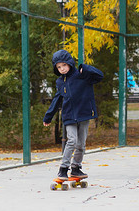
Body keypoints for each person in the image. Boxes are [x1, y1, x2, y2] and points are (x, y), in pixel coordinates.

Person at [43, 49, 103, 180]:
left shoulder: (82, 75)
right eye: (59, 67)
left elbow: (100, 76)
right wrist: (48, 116)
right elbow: (57, 99)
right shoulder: (60, 82)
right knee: (72, 141)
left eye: (64, 65)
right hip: (69, 115)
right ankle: (63, 169)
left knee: (81, 144)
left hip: (84, 114)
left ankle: (76, 168)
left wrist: (85, 69)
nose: (62, 69)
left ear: (70, 63)